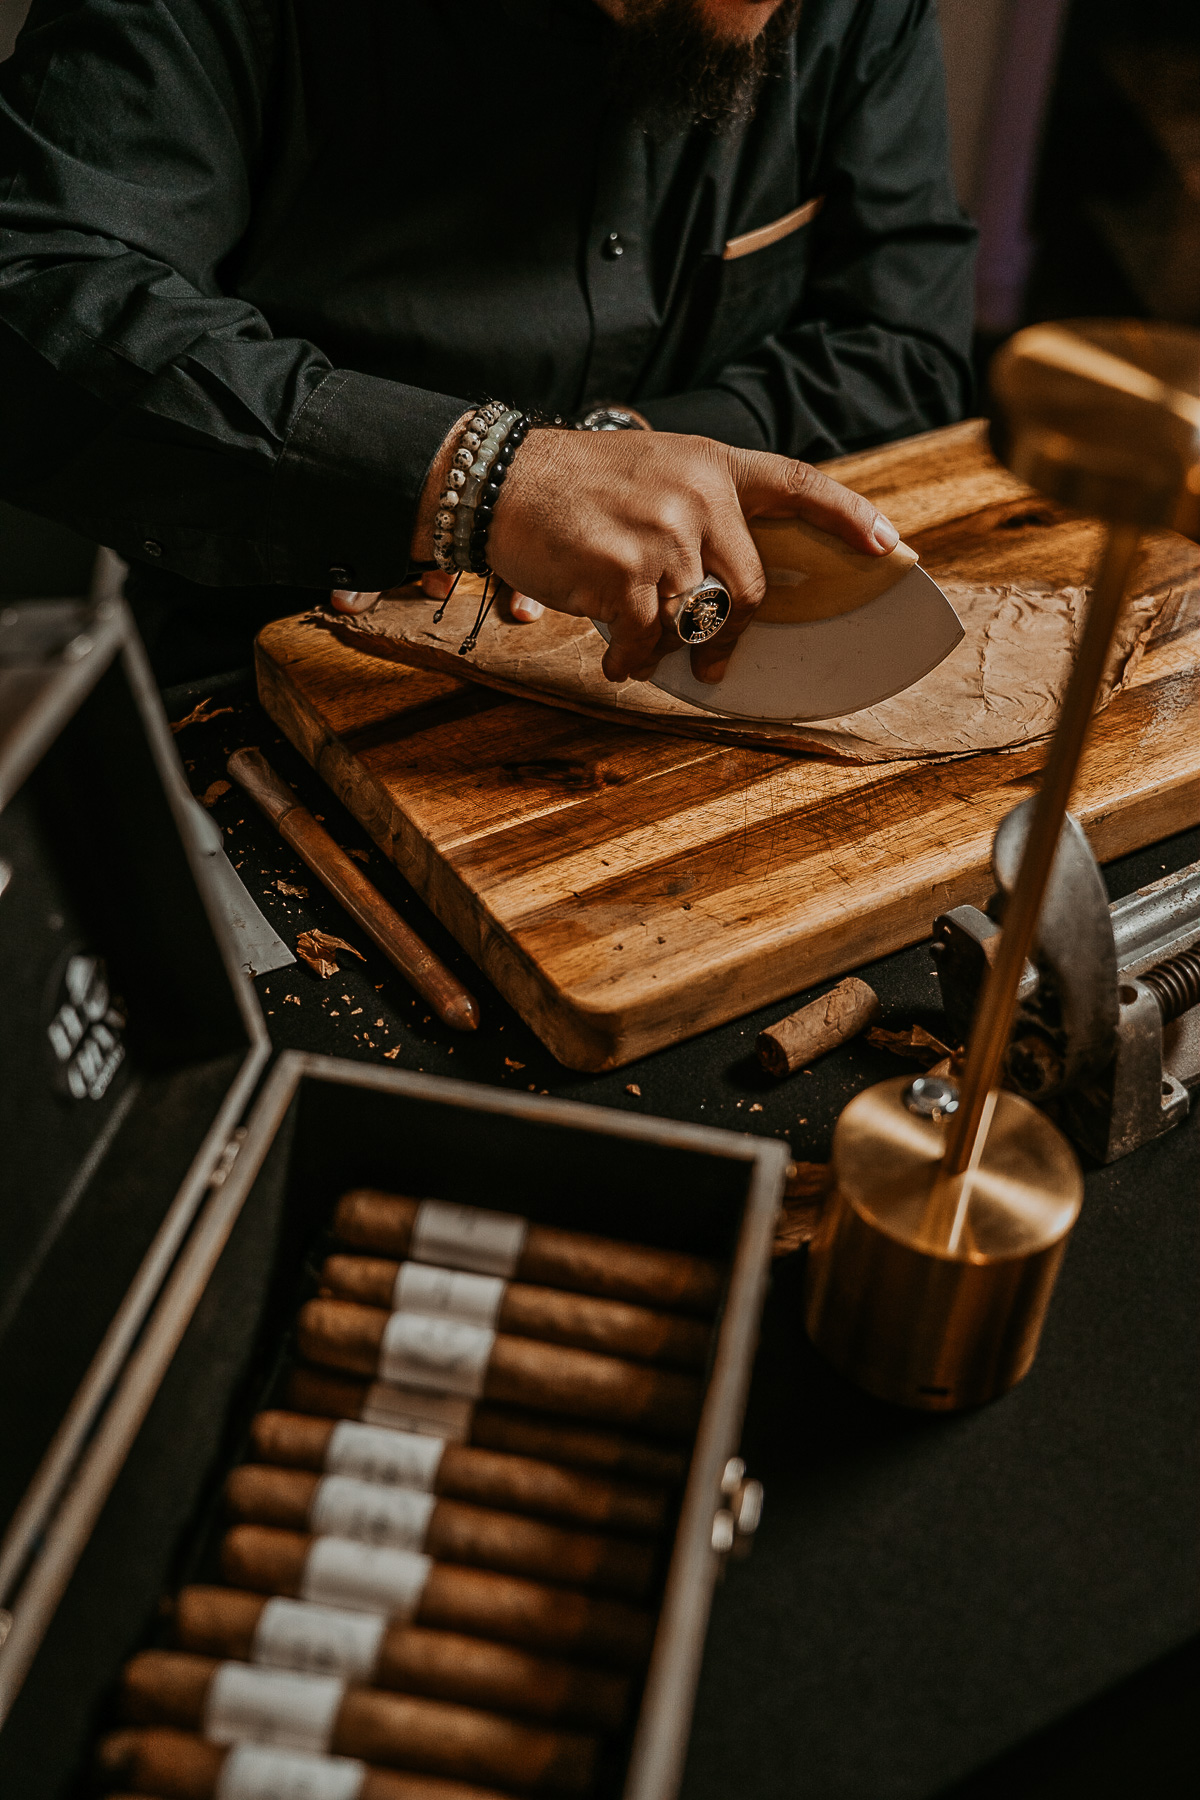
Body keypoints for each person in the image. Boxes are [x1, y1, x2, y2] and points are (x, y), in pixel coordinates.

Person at [0, 0, 975, 684]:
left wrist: (612, 448)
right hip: (281, 681)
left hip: (667, 689)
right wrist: (467, 479)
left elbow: (904, 341)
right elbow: (39, 286)